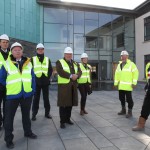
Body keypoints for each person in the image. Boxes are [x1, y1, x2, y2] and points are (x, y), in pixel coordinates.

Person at [0, 42, 37, 149]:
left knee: (26, 116)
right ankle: (8, 139)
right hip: (12, 95)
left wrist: (32, 90)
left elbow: (33, 78)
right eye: (15, 50)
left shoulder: (28, 63)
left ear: (22, 51)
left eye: (19, 49)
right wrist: (10, 87)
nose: (17, 51)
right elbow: (1, 79)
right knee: (9, 118)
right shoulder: (6, 64)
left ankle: (28, 132)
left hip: (26, 94)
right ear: (11, 51)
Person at [56, 47, 82, 129]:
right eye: (67, 54)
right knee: (63, 104)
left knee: (70, 104)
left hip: (72, 86)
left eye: (70, 54)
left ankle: (67, 119)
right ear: (64, 54)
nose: (69, 55)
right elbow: (60, 71)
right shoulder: (59, 62)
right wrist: (71, 76)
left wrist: (77, 75)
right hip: (64, 87)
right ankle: (62, 121)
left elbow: (80, 71)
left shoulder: (75, 63)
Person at [114, 50, 139, 118]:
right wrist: (116, 83)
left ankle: (130, 111)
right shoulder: (119, 65)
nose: (123, 57)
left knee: (129, 100)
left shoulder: (131, 64)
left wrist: (134, 83)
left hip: (128, 86)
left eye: (125, 56)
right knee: (121, 98)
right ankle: (123, 110)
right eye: (122, 56)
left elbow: (136, 73)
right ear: (121, 57)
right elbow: (117, 74)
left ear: (127, 56)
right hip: (121, 86)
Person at [31, 43, 53, 121]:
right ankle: (34, 114)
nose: (40, 50)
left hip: (45, 82)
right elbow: (30, 70)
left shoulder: (47, 59)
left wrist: (47, 78)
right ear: (36, 50)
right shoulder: (32, 59)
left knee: (46, 99)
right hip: (36, 82)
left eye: (42, 49)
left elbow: (50, 69)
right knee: (36, 99)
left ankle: (47, 113)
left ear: (43, 50)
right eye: (39, 49)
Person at [132, 62, 150, 131]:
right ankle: (141, 124)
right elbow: (149, 77)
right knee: (145, 106)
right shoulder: (149, 65)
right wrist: (148, 85)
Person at [0, 34, 10, 130]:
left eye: (6, 42)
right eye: (3, 42)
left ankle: (6, 121)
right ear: (0, 43)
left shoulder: (11, 54)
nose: (5, 44)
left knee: (7, 105)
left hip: (9, 84)